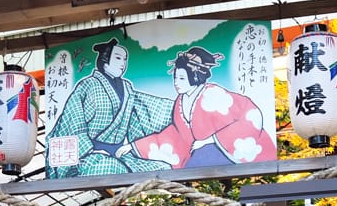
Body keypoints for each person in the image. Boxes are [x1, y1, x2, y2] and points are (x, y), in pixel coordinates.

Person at [117, 46, 276, 168]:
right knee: (193, 165)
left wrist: (210, 140)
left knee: (197, 162)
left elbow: (249, 113)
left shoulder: (213, 94)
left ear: (194, 76)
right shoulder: (180, 102)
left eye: (181, 78)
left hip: (229, 149)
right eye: (175, 78)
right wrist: (135, 146)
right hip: (202, 151)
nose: (176, 83)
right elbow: (175, 135)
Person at [46, 38, 174, 178]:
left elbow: (145, 106)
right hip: (89, 156)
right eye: (118, 58)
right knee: (108, 167)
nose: (122, 63)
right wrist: (90, 150)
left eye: (124, 59)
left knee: (164, 168)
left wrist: (180, 107)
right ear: (105, 60)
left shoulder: (127, 88)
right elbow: (73, 121)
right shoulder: (88, 85)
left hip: (119, 155)